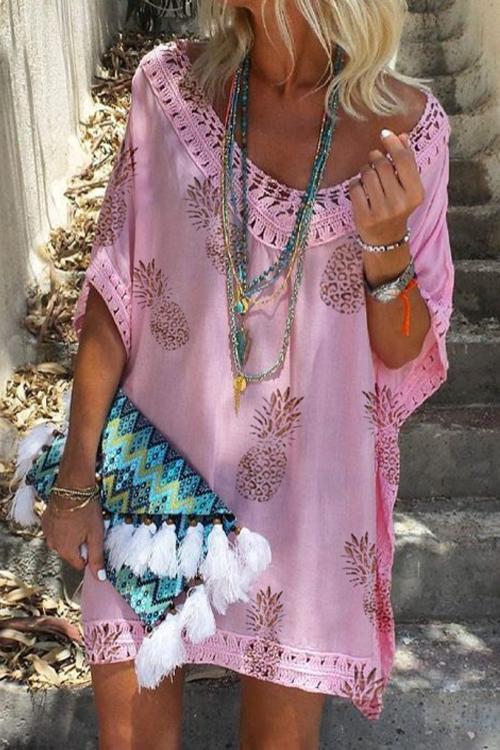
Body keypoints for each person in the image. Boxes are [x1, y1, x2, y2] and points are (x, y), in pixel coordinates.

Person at [40, 0, 454, 747]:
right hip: (152, 480)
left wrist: (386, 244)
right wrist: (74, 479)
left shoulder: (408, 131)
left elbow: (405, 350)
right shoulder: (169, 90)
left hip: (307, 500)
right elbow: (112, 292)